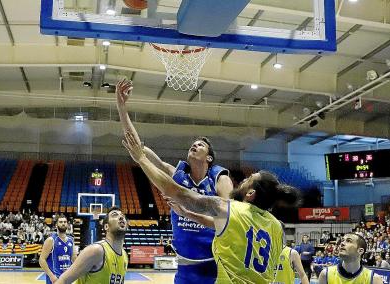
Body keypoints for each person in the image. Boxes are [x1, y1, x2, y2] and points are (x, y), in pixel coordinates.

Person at [123, 130, 301, 283]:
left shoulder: (229, 209)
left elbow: (176, 192)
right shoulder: (277, 226)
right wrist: (187, 214)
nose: (242, 181)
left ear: (250, 194)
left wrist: (141, 159)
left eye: (247, 180)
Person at [116, 79, 234, 284]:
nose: (194, 145)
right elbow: (138, 148)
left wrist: (188, 213)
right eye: (193, 144)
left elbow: (230, 221)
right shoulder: (176, 174)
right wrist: (122, 107)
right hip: (185, 267)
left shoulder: (220, 179)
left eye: (200, 145)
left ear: (209, 158)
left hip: (216, 265)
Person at [55, 207, 128, 284]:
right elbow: (63, 280)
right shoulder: (96, 251)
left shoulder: (124, 256)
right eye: (115, 215)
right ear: (106, 227)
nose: (121, 217)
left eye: (122, 215)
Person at [318, 233, 383, 284]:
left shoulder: (374, 279)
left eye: (349, 241)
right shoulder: (325, 274)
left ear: (360, 251)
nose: (342, 243)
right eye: (342, 240)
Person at [39, 215, 76, 284]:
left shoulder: (71, 240)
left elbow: (74, 259)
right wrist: (51, 276)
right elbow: (41, 260)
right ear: (56, 225)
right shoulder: (51, 240)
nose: (63, 223)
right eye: (61, 222)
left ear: (67, 224)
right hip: (55, 279)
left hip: (67, 278)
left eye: (65, 222)